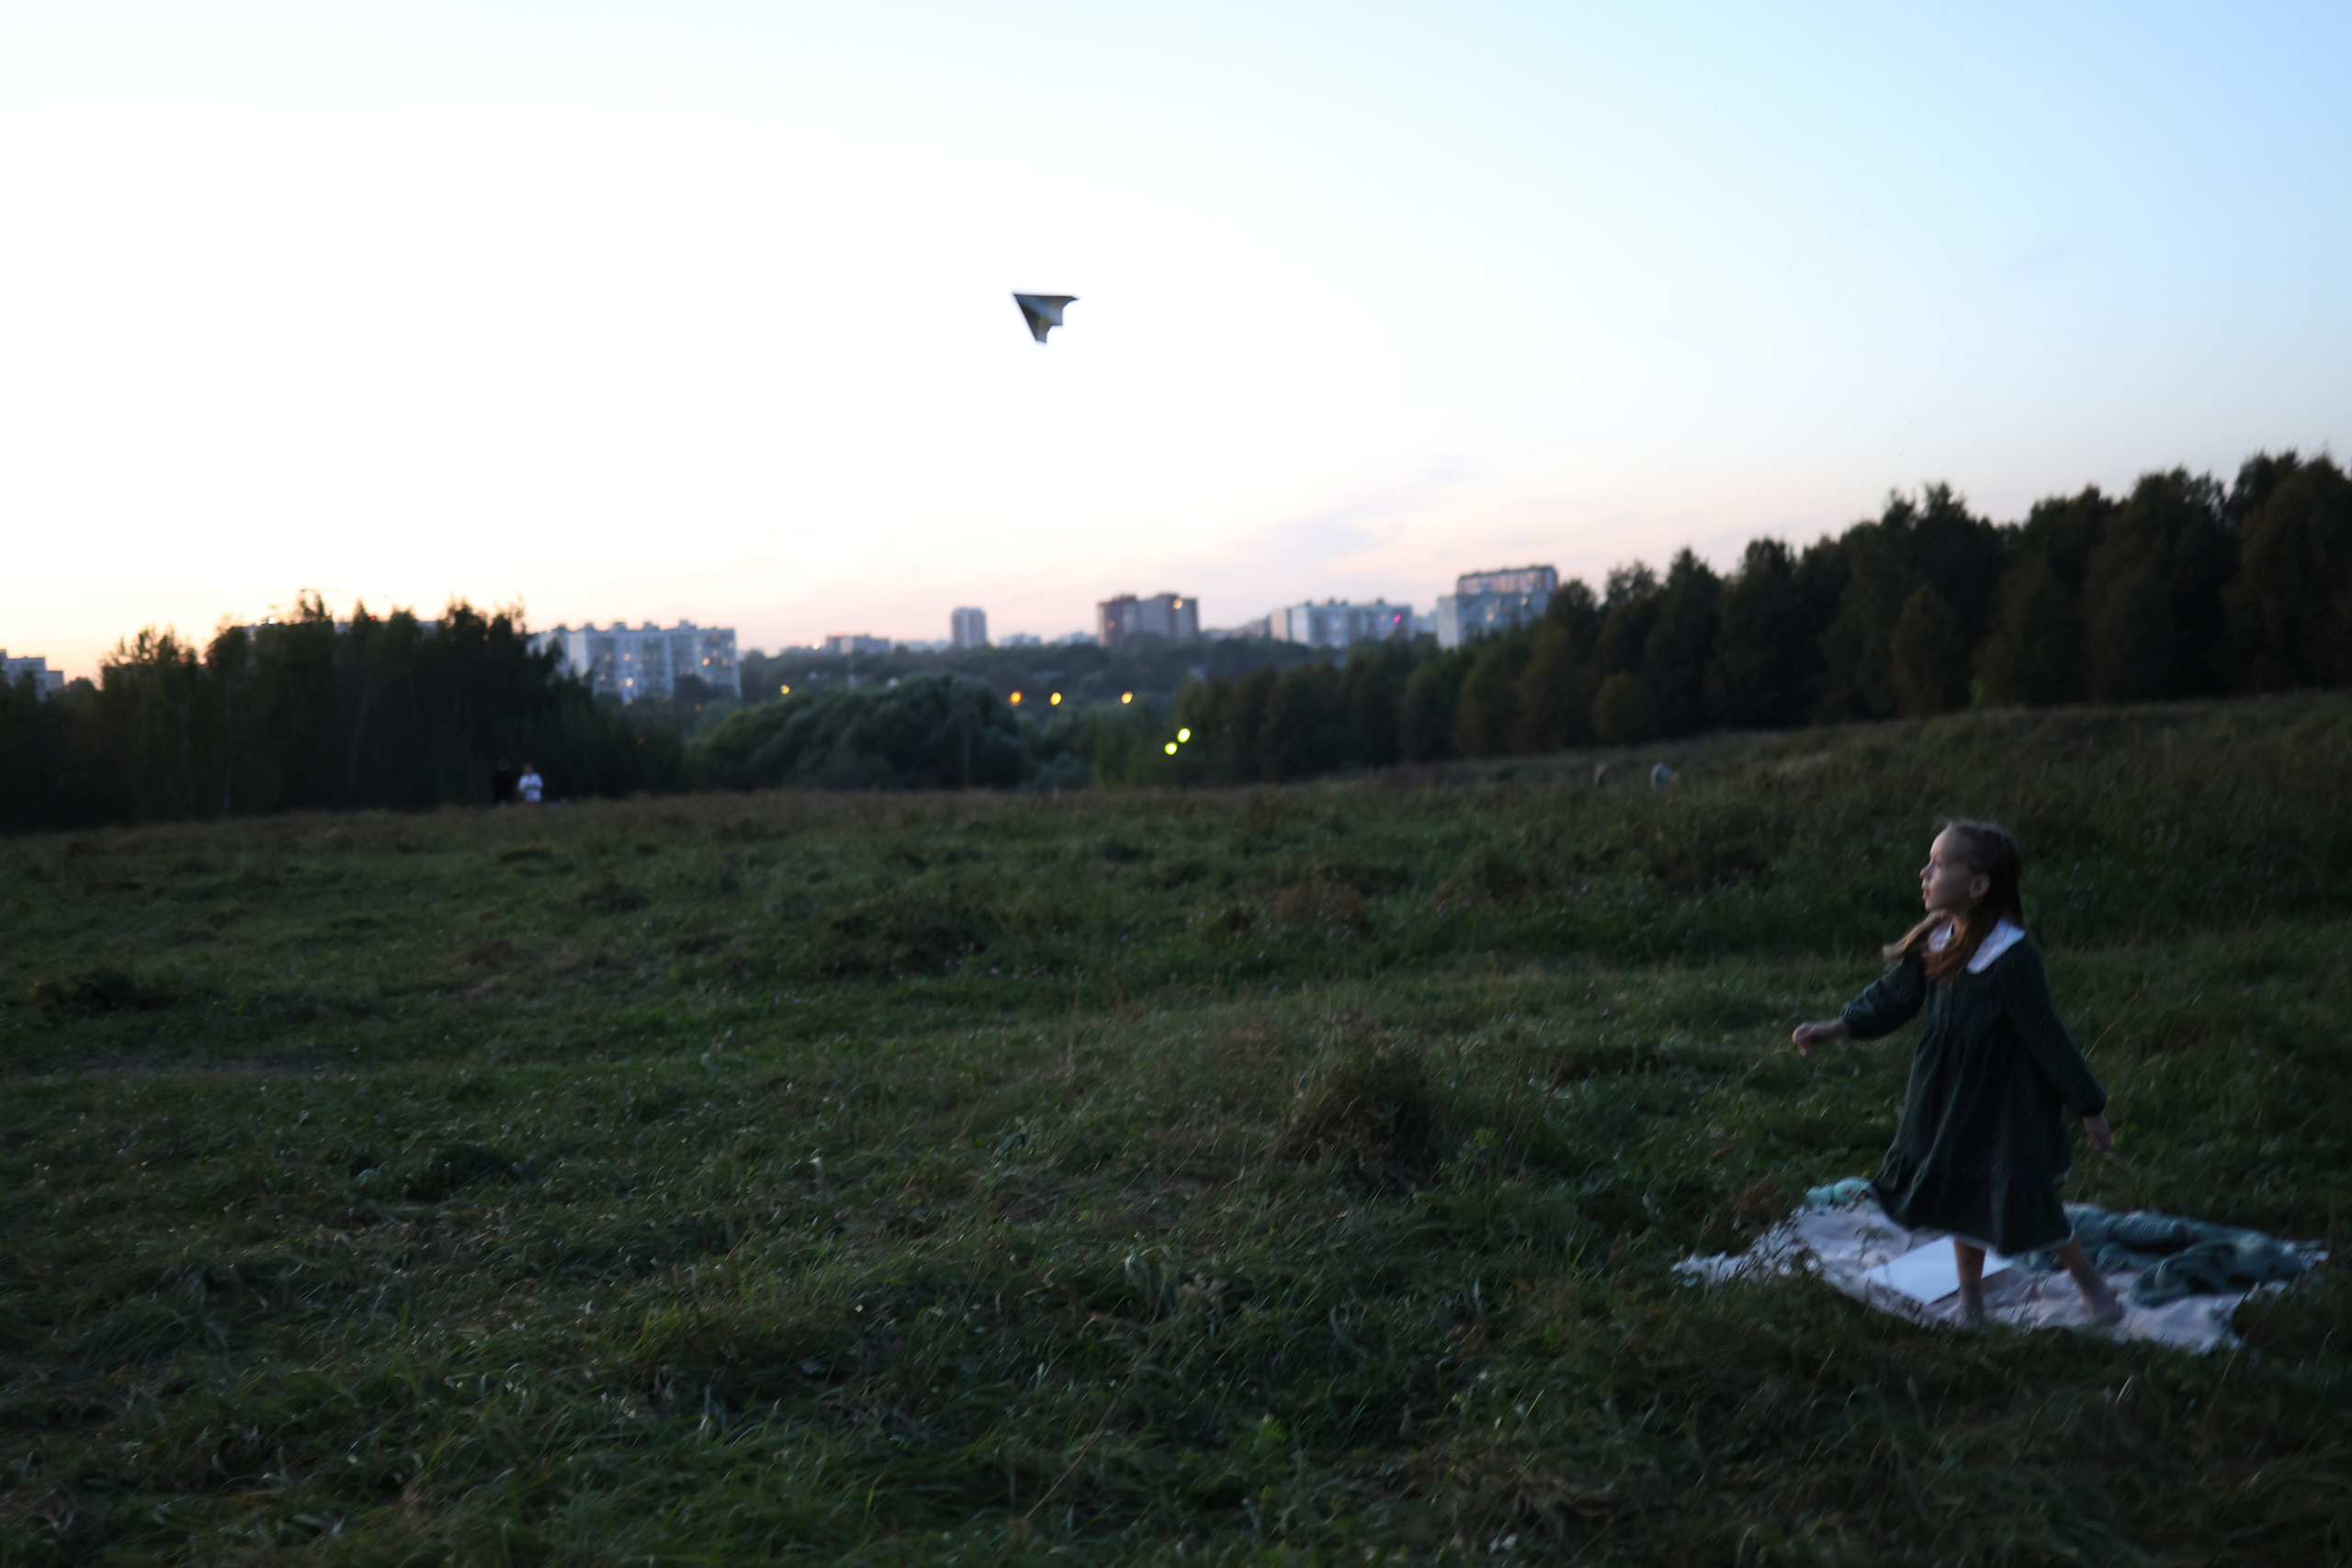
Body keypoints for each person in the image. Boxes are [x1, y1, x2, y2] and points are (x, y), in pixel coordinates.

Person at [1790, 819, 2122, 1328]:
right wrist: (1833, 1029)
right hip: (1946, 1096)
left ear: (1978, 885)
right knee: (1959, 1196)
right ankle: (1971, 1301)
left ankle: (2093, 1289)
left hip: (2005, 1104)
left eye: (1939, 863)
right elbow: (1893, 998)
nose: (1925, 872)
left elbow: (2048, 1038)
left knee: (2024, 1200)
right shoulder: (1937, 940)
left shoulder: (2012, 959)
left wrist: (2089, 1106)